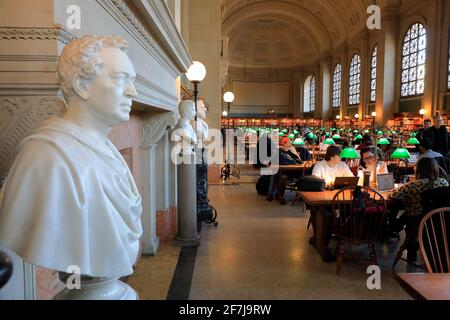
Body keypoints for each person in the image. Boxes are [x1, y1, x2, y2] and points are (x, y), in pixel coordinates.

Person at [0, 35, 143, 281]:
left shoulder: (108, 150)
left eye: (133, 81)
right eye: (121, 79)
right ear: (81, 85)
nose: (133, 91)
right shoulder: (45, 157)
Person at [388, 157, 449, 261]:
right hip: (439, 221)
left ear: (418, 169)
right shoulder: (443, 182)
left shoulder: (412, 185)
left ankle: (395, 233)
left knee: (404, 217)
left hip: (417, 221)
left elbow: (393, 195)